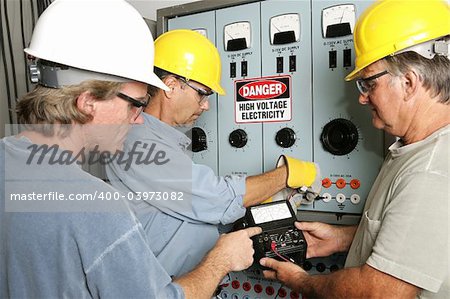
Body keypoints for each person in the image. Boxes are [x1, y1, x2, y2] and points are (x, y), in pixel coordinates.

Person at [0, 0, 262, 298]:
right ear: (87, 103)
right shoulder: (96, 206)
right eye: (136, 104)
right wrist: (220, 261)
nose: (139, 120)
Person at [260, 0, 450, 298]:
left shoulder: (432, 170)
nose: (362, 98)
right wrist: (342, 238)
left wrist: (301, 281)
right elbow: (416, 245)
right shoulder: (413, 149)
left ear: (409, 83)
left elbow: (380, 292)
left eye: (368, 84)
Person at [106, 29, 320, 276]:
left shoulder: (161, 141)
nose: (206, 105)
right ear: (171, 86)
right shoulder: (138, 143)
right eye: (202, 93)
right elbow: (218, 200)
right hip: (164, 287)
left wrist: (267, 199)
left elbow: (198, 215)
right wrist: (288, 174)